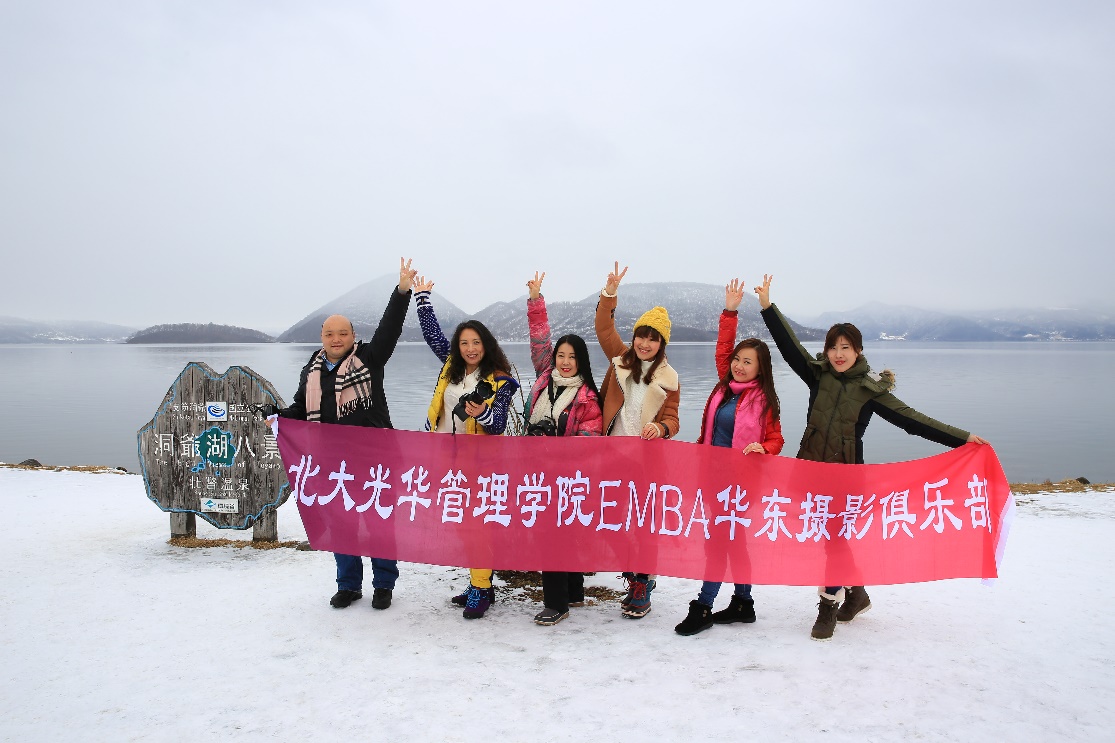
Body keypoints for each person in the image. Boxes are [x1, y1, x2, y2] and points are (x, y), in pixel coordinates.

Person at [755, 274, 989, 641]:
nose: (838, 354)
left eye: (846, 347)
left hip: (847, 476)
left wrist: (961, 439)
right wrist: (768, 307)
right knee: (829, 539)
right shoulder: (819, 377)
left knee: (833, 540)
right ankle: (858, 593)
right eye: (834, 346)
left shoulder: (870, 390)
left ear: (859, 351)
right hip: (811, 471)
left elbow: (913, 420)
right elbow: (790, 347)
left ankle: (828, 606)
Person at [276, 257, 416, 611]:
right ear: (321, 338)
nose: (336, 339)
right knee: (342, 523)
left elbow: (390, 330)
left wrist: (401, 292)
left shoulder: (370, 359)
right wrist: (276, 417)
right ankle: (349, 585)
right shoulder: (312, 369)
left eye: (342, 333)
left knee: (380, 521)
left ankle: (383, 584)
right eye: (329, 334)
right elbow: (298, 409)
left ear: (353, 337)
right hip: (332, 462)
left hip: (376, 461)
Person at [674, 278, 785, 636]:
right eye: (737, 359)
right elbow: (722, 348)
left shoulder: (763, 400)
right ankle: (743, 603)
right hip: (712, 476)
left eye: (747, 362)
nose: (738, 365)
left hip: (741, 483)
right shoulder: (725, 387)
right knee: (733, 542)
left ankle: (703, 606)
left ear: (760, 368)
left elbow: (776, 438)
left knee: (719, 541)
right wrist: (730, 311)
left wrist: (763, 448)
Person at [413, 275, 520, 619]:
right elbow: (432, 334)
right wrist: (422, 297)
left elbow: (500, 423)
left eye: (476, 342)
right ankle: (480, 584)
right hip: (448, 457)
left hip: (483, 463)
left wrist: (483, 412)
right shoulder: (452, 369)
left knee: (478, 525)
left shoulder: (500, 380)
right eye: (464, 343)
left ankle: (481, 589)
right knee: (462, 523)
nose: (470, 348)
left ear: (486, 345)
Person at [595, 261, 680, 619]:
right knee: (611, 519)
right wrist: (609, 294)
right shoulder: (620, 360)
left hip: (646, 461)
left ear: (661, 344)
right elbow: (603, 328)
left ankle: (642, 584)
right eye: (641, 336)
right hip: (612, 454)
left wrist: (661, 429)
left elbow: (673, 419)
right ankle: (634, 575)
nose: (645, 343)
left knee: (643, 523)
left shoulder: (669, 378)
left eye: (652, 338)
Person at [523, 271, 604, 626]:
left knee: (553, 536)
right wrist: (536, 300)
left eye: (572, 356)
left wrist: (553, 444)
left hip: (569, 477)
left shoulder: (587, 397)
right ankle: (572, 590)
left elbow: (590, 440)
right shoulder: (545, 379)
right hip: (538, 472)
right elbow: (539, 339)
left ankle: (556, 603)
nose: (565, 361)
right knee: (560, 533)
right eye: (561, 355)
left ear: (581, 360)